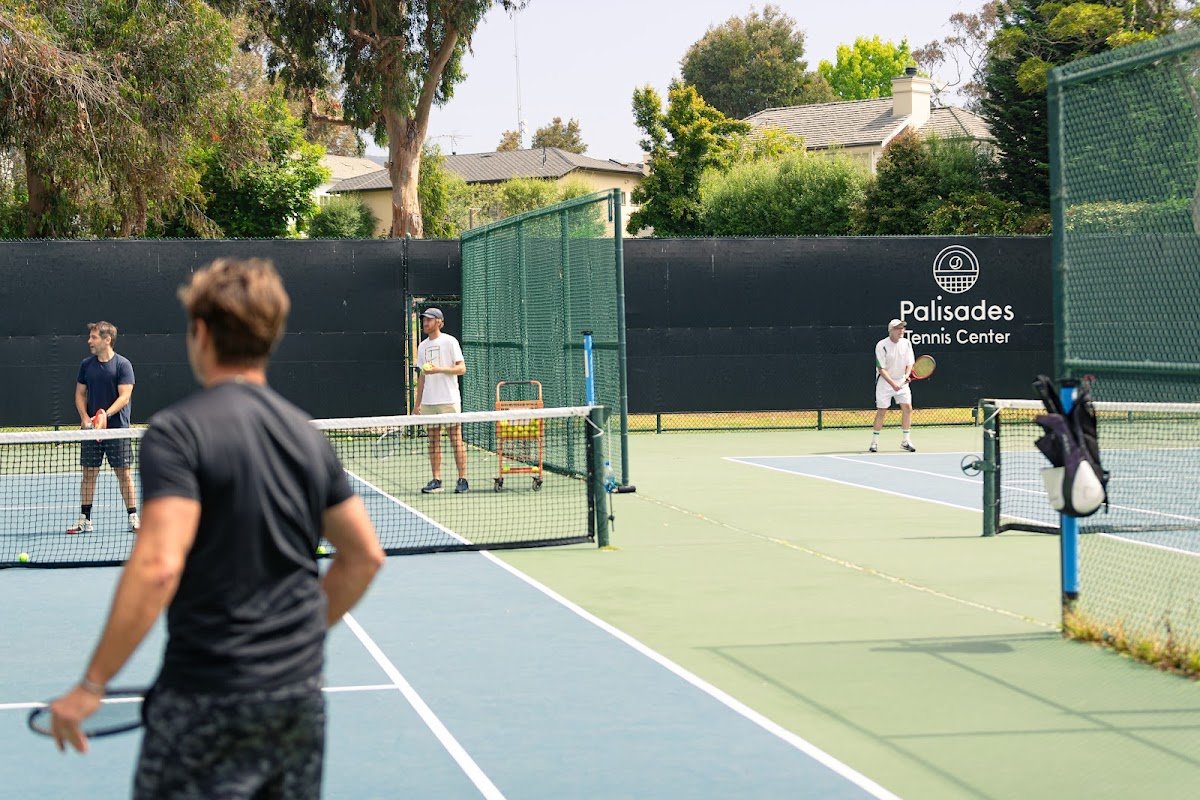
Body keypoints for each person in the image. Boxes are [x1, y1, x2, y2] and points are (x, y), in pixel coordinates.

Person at [47, 258, 385, 800]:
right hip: (296, 699)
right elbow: (365, 556)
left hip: (205, 693)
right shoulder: (305, 436)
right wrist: (293, 639)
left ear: (200, 333)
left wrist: (92, 685)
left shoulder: (178, 434)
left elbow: (158, 565)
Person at [69, 321, 139, 534]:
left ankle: (134, 518)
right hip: (92, 431)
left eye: (94, 337)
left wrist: (104, 416)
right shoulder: (86, 365)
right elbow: (80, 394)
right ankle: (85, 520)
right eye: (90, 337)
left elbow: (125, 396)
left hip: (117, 430)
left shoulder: (122, 365)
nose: (89, 341)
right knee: (89, 473)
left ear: (107, 339)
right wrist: (85, 418)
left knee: (124, 473)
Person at [414, 307, 469, 494]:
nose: (425, 322)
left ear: (439, 322)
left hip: (448, 400)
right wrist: (417, 404)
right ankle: (436, 479)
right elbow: (421, 377)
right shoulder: (422, 346)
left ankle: (463, 479)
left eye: (429, 320)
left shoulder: (450, 341)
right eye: (424, 320)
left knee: (456, 439)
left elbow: (461, 369)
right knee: (433, 441)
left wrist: (439, 370)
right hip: (429, 403)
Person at [870, 318, 916, 453]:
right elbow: (881, 369)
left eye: (903, 328)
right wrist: (893, 384)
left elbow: (910, 363)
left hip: (901, 381)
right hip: (885, 382)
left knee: (907, 408)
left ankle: (905, 441)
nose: (901, 330)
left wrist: (907, 375)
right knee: (882, 411)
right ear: (891, 330)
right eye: (898, 328)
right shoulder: (881, 345)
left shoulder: (906, 343)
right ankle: (874, 443)